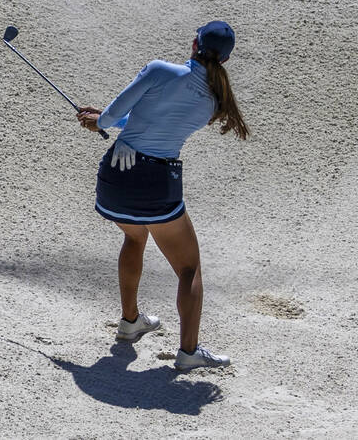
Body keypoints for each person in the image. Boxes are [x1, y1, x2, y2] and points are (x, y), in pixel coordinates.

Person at [76, 21, 250, 371]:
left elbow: (114, 114)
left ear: (193, 44)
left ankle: (130, 322)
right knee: (188, 268)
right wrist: (109, 121)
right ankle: (188, 353)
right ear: (226, 60)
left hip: (116, 177)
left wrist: (100, 121)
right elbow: (160, 123)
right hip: (158, 183)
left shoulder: (159, 70)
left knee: (134, 237)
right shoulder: (216, 101)